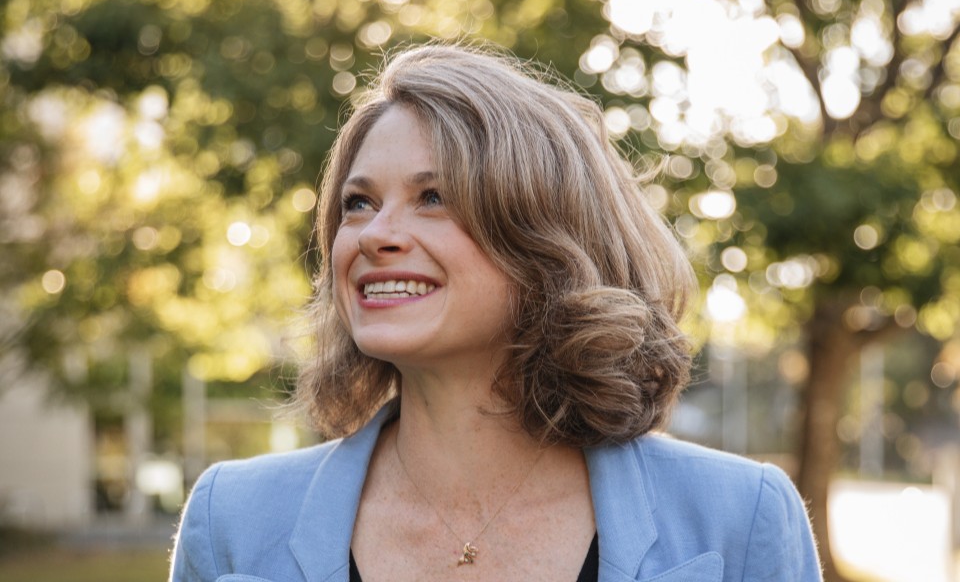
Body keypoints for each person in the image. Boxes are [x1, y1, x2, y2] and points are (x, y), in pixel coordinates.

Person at [169, 43, 822, 582]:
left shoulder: (741, 518)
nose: (373, 235)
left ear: (544, 245)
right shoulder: (230, 519)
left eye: (433, 197)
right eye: (358, 203)